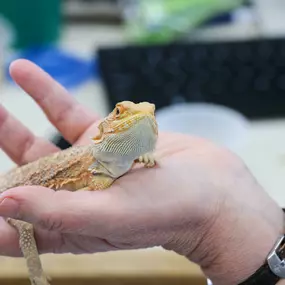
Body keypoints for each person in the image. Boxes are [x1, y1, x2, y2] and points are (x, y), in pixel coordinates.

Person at [0, 59, 283, 285]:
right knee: (25, 227)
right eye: (123, 113)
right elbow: (97, 185)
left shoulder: (127, 156)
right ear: (105, 127)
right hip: (18, 186)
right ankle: (36, 276)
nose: (143, 115)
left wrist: (220, 224)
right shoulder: (97, 166)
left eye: (149, 113)